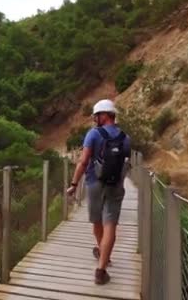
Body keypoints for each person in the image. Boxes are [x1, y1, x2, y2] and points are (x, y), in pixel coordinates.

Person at [66, 99, 131, 285]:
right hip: (116, 186)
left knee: (97, 221)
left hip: (94, 183)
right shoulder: (125, 138)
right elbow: (125, 164)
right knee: (110, 224)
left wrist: (74, 183)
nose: (95, 119)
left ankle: (103, 254)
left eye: (96, 116)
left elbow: (83, 161)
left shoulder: (93, 134)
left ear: (103, 115)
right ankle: (101, 270)